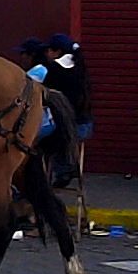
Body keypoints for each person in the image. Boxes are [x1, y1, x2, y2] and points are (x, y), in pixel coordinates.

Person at [43, 33, 93, 188]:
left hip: (66, 128)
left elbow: (46, 95)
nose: (46, 54)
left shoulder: (54, 69)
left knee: (39, 142)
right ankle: (69, 165)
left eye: (49, 50)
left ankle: (62, 169)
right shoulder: (80, 67)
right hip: (85, 126)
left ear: (57, 51)